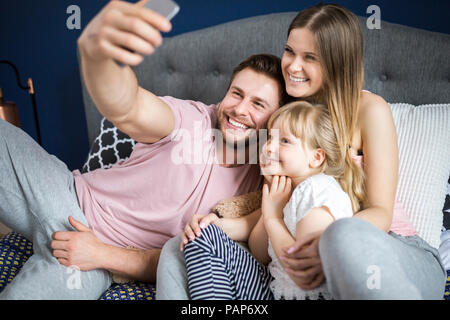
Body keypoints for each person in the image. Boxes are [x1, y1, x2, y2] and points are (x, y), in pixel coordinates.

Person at [0, 0, 288, 299]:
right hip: (64, 195)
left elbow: (177, 257)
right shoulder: (191, 120)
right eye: (236, 94)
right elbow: (127, 107)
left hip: (92, 263)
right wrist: (100, 59)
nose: (239, 109)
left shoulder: (261, 185)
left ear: (277, 118)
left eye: (258, 104)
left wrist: (101, 255)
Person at [157, 3, 447, 300]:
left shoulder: (369, 110)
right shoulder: (283, 117)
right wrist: (217, 225)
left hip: (387, 247)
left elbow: (381, 213)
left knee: (342, 236)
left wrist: (322, 242)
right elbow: (277, 209)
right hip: (295, 254)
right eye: (290, 51)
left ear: (337, 62)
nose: (293, 66)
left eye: (309, 57)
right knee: (180, 245)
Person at [183, 101, 357, 300]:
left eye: (284, 141)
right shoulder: (284, 194)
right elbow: (260, 254)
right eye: (269, 138)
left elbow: (303, 271)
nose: (269, 147)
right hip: (277, 290)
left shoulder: (316, 190)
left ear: (316, 158)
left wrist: (274, 218)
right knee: (200, 235)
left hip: (309, 295)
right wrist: (213, 224)